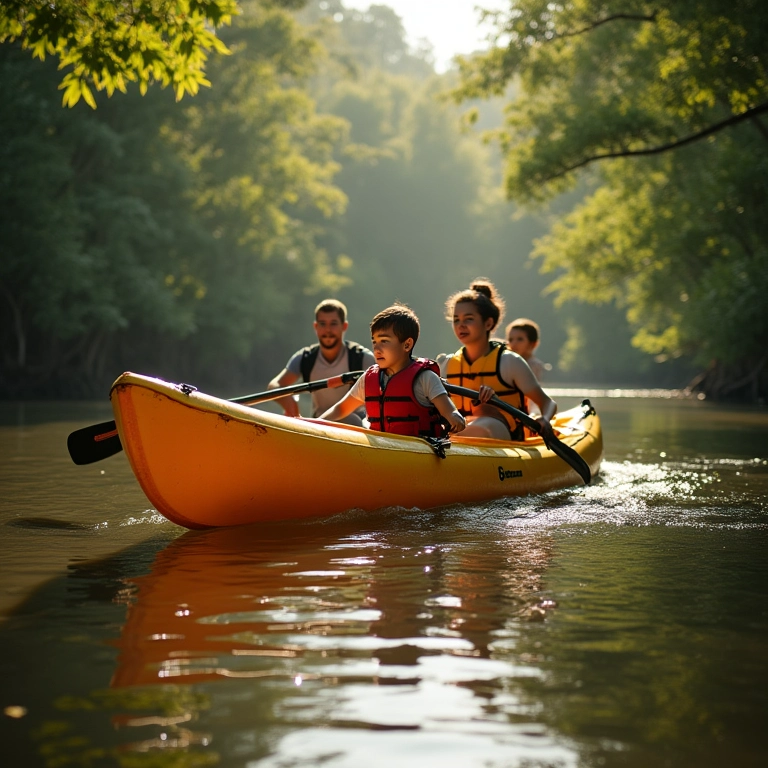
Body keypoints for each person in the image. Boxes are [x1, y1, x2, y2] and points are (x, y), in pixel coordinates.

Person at [320, 304, 466, 436]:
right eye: (374, 341)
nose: (376, 348)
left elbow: (448, 410)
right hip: (381, 449)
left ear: (407, 345)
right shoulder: (369, 378)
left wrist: (454, 416)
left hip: (418, 452)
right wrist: (314, 424)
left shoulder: (425, 378)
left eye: (384, 341)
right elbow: (340, 409)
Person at [442, 279, 557, 441]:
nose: (461, 325)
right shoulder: (447, 364)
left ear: (488, 323)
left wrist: (545, 419)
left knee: (483, 426)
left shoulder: (509, 362)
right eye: (456, 320)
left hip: (503, 436)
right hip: (461, 429)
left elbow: (547, 403)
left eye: (468, 319)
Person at [268, 299, 375, 426]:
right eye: (322, 324)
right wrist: (290, 405)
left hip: (355, 426)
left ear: (344, 326)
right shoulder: (305, 358)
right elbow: (274, 385)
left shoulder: (363, 358)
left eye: (333, 324)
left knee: (351, 419)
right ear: (316, 327)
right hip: (318, 426)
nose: (327, 330)